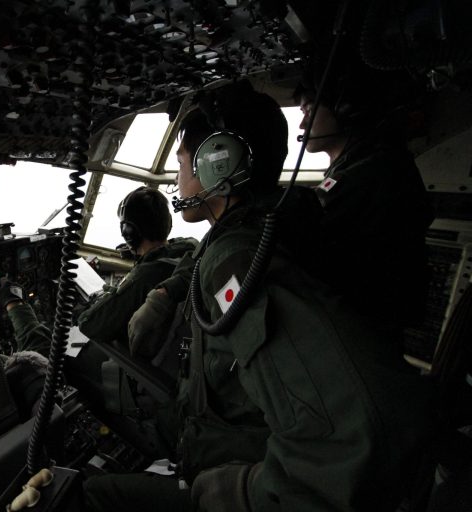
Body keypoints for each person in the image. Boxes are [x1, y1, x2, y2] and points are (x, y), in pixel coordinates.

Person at [84, 80, 431, 512]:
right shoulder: (277, 221)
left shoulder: (238, 256)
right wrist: (169, 290)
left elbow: (352, 435)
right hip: (226, 437)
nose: (177, 176)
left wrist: (242, 493)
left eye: (182, 162)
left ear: (218, 163)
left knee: (87, 496)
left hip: (241, 467)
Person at [295, 69, 434, 338]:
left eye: (309, 111)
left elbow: (312, 233)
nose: (303, 125)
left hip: (363, 326)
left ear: (346, 109)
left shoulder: (372, 171)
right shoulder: (366, 163)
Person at [0, 186, 197, 358]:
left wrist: (88, 308)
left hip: (132, 368)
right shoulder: (186, 249)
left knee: (49, 349)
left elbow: (89, 325)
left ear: (129, 232)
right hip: (172, 352)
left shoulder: (145, 276)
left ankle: (15, 305)